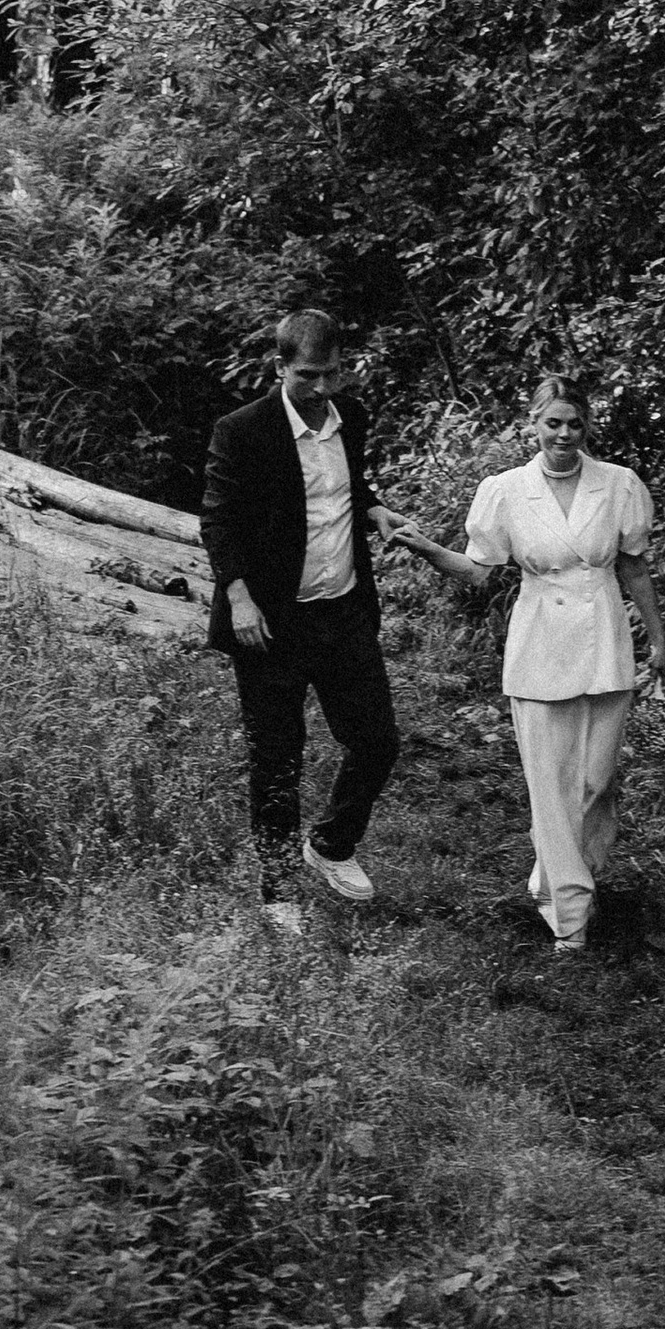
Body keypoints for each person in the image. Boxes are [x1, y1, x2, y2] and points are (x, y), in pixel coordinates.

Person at [380, 376, 664, 960]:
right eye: (551, 423)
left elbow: (634, 568)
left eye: (573, 423)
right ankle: (571, 917)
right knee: (552, 785)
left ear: (587, 426)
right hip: (541, 642)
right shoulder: (505, 490)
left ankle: (557, 876)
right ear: (532, 424)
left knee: (598, 782)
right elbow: (479, 570)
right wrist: (423, 546)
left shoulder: (619, 485)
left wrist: (658, 639)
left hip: (606, 639)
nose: (563, 434)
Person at [200, 308, 400, 927]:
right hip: (271, 625)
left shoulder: (352, 420)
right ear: (280, 366)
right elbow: (218, 520)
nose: (321, 389)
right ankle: (279, 889)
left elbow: (345, 489)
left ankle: (331, 846)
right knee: (277, 758)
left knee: (377, 742)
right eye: (308, 376)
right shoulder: (242, 431)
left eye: (332, 374)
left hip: (342, 613)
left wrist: (373, 512)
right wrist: (238, 598)